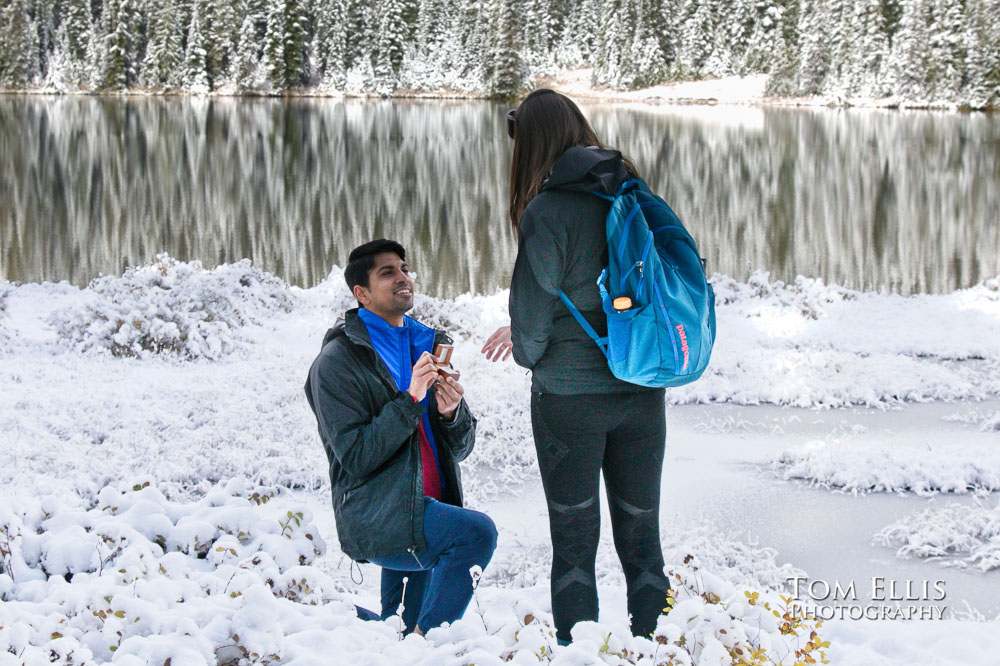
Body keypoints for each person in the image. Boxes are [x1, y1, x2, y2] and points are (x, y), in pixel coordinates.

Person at [481, 90, 671, 643]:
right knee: (642, 536)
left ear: (531, 144)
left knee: (573, 542)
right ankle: (654, 651)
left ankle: (580, 655)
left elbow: (532, 329)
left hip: (568, 404)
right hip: (642, 391)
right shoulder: (630, 191)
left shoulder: (547, 212)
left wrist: (527, 347)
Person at [306, 239, 497, 636]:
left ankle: (344, 622)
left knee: (395, 630)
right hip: (382, 515)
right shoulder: (336, 363)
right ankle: (429, 650)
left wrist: (450, 413)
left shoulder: (426, 345)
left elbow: (460, 448)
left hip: (429, 503)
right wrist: (411, 399)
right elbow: (355, 456)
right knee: (476, 534)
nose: (403, 278)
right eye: (387, 272)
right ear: (361, 294)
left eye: (404, 268)